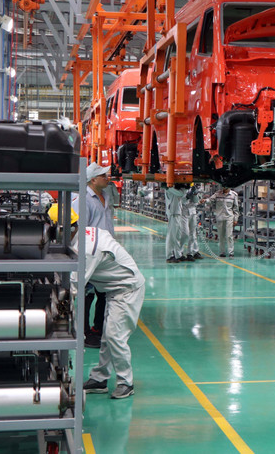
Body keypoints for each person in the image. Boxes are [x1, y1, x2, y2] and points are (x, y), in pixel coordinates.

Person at [48, 204, 145, 399]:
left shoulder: (87, 249)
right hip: (113, 289)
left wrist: (49, 305)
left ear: (61, 228)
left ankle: (126, 382)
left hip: (127, 289)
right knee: (108, 337)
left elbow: (74, 286)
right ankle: (100, 379)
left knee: (115, 336)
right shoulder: (84, 234)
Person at [73, 162, 116, 348]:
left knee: (104, 293)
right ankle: (84, 333)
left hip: (107, 253)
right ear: (92, 180)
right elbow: (80, 230)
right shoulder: (83, 199)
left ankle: (98, 328)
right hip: (90, 254)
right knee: (87, 294)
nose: (108, 178)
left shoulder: (105, 196)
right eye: (104, 176)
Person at [204, 186, 240, 257]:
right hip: (220, 217)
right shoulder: (217, 194)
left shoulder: (233, 195)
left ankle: (231, 252)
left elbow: (236, 208)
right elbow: (210, 200)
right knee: (221, 235)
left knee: (229, 235)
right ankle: (222, 252)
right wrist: (205, 200)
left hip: (229, 217)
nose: (224, 188)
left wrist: (235, 219)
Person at [164, 184, 187, 263]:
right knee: (171, 236)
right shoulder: (169, 189)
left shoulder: (175, 189)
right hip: (173, 214)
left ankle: (178, 254)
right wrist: (185, 188)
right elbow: (180, 194)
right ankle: (169, 256)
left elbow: (182, 196)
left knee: (177, 236)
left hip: (178, 213)